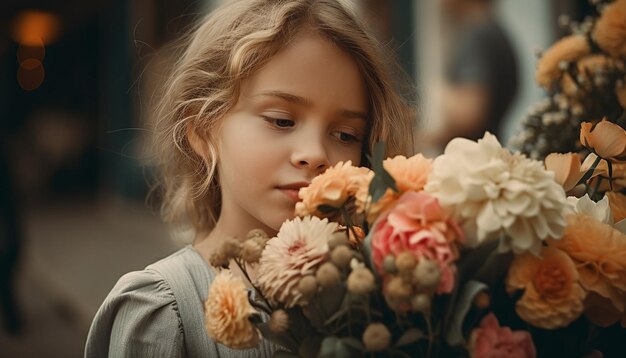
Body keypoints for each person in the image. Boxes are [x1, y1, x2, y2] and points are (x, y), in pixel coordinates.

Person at [84, 0, 415, 357]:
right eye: (281, 120)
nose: (316, 153)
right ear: (203, 131)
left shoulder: (385, 289)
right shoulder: (165, 312)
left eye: (346, 135)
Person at [426, 0, 518, 150]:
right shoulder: (493, 29)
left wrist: (422, 138)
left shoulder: (479, 36)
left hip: (475, 159)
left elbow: (469, 113)